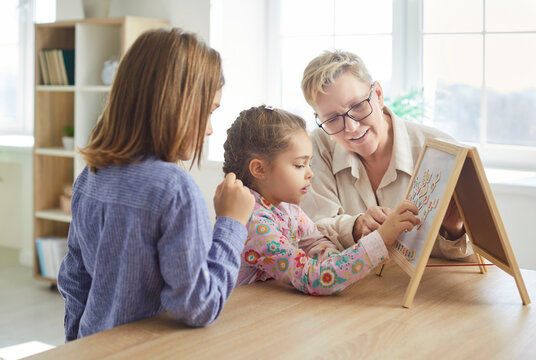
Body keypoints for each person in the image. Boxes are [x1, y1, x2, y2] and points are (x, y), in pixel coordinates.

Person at [57, 28, 255, 342]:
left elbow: (74, 281)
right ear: (172, 104)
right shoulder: (175, 189)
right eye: (207, 112)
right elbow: (197, 306)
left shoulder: (90, 176)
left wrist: (74, 347)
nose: (209, 130)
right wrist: (231, 223)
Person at [223, 105, 419, 295]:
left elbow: (318, 246)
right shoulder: (253, 222)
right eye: (299, 165)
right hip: (242, 318)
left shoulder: (287, 209)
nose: (310, 174)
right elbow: (313, 278)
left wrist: (353, 259)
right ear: (259, 169)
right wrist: (380, 240)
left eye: (309, 163)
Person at [300, 50, 474, 260]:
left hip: (430, 287)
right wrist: (355, 226)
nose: (352, 127)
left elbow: (476, 255)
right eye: (332, 119)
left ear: (379, 95)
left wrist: (454, 228)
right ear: (319, 119)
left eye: (357, 106)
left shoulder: (441, 150)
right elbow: (311, 230)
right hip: (357, 286)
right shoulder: (317, 145)